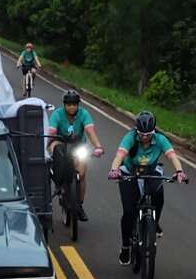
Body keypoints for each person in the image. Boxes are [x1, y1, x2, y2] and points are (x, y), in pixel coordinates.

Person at [107, 111, 188, 265]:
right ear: (136, 131)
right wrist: (114, 170)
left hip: (151, 170)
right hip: (130, 171)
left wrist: (179, 172)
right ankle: (125, 247)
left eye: (148, 134)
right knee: (129, 212)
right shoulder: (130, 138)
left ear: (154, 131)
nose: (145, 137)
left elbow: (172, 156)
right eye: (141, 134)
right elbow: (120, 155)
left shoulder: (160, 139)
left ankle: (154, 222)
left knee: (158, 193)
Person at [47, 90, 104, 221]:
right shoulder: (57, 114)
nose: (72, 107)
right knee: (55, 147)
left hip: (78, 144)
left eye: (74, 104)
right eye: (68, 104)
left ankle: (79, 205)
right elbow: (51, 132)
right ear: (64, 105)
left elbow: (90, 131)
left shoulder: (84, 114)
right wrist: (47, 145)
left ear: (78, 105)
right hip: (60, 142)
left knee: (82, 175)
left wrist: (98, 146)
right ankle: (60, 183)